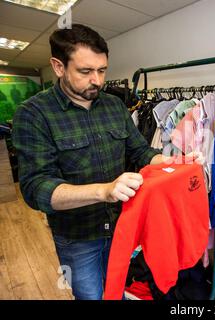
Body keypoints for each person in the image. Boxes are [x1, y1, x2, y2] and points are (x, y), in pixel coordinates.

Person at [12, 24, 201, 300]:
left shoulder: (114, 106)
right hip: (78, 237)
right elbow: (36, 188)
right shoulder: (33, 114)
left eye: (102, 70)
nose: (98, 80)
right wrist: (104, 191)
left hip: (121, 227)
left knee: (116, 289)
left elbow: (140, 152)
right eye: (86, 71)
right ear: (58, 66)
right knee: (91, 296)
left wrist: (173, 162)